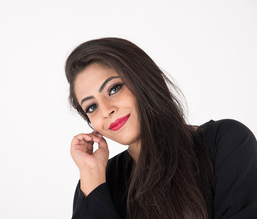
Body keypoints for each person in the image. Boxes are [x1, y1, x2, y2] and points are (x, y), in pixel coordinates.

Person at [65, 37, 257, 219]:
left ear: (143, 81)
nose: (106, 111)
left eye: (114, 89)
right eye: (92, 107)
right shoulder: (99, 181)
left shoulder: (225, 142)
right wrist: (92, 175)